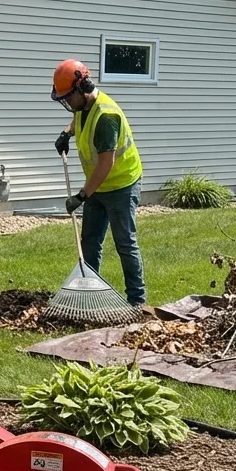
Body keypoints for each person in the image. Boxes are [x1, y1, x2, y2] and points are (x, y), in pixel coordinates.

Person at [51, 58, 147, 308]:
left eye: (67, 98)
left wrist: (81, 197)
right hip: (98, 186)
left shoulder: (106, 117)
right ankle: (89, 294)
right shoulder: (83, 107)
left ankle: (136, 301)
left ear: (82, 89)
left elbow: (106, 164)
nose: (66, 103)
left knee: (125, 242)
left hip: (121, 186)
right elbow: (79, 121)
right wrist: (66, 134)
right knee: (90, 242)